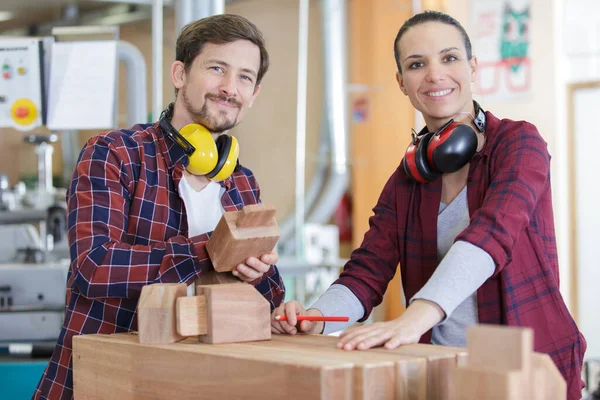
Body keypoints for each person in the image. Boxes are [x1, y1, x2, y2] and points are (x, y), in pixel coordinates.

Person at [271, 10, 586, 400]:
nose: (435, 74)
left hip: (530, 372)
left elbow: (491, 234)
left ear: (472, 67)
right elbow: (366, 273)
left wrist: (414, 317)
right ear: (402, 82)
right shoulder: (406, 180)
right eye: (417, 64)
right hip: (441, 373)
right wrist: (315, 319)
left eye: (449, 58)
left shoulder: (520, 146)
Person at [34, 14, 285, 400]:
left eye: (245, 77)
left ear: (254, 93)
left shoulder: (241, 181)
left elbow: (267, 296)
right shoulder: (114, 154)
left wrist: (266, 286)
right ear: (180, 74)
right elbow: (94, 266)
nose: (230, 88)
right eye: (217, 68)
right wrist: (215, 251)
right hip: (101, 383)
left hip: (194, 385)